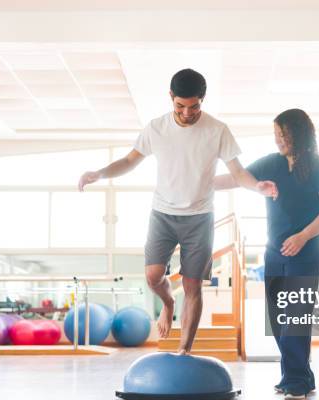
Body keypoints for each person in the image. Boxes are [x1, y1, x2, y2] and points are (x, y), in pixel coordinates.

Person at [78, 68, 278, 354]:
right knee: (152, 276)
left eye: (194, 106)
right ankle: (169, 303)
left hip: (200, 217)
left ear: (202, 100)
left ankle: (184, 350)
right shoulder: (156, 128)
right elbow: (129, 161)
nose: (187, 113)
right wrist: (99, 173)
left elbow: (238, 171)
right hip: (163, 214)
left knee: (193, 285)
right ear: (171, 97)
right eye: (180, 106)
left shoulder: (217, 130)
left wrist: (257, 187)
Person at [214, 108, 319, 399]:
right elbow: (236, 178)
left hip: (307, 252)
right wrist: (196, 182)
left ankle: (295, 379)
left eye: (283, 134)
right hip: (275, 251)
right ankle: (299, 376)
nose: (279, 140)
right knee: (278, 318)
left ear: (300, 134)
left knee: (296, 317)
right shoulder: (272, 163)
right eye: (276, 134)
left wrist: (303, 236)